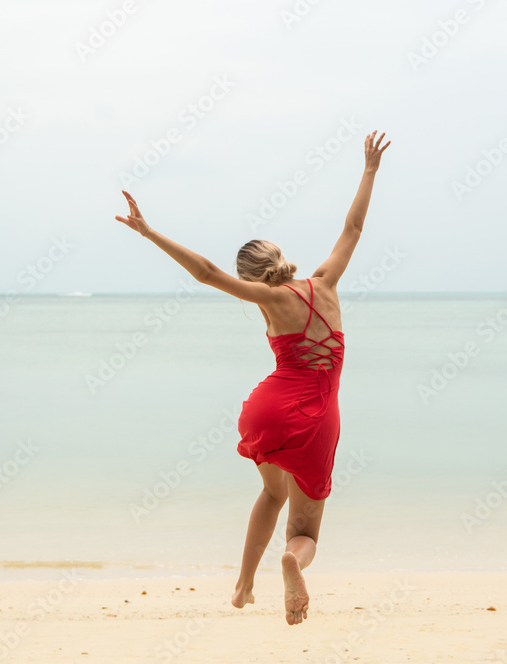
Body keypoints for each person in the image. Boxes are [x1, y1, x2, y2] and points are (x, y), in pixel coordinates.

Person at [114, 130, 390, 625]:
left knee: (271, 492)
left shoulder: (270, 299)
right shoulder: (326, 280)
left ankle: (243, 587)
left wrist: (149, 233)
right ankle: (290, 562)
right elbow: (353, 227)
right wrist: (369, 170)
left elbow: (205, 272)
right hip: (317, 415)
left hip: (268, 408)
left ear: (252, 276)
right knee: (304, 533)